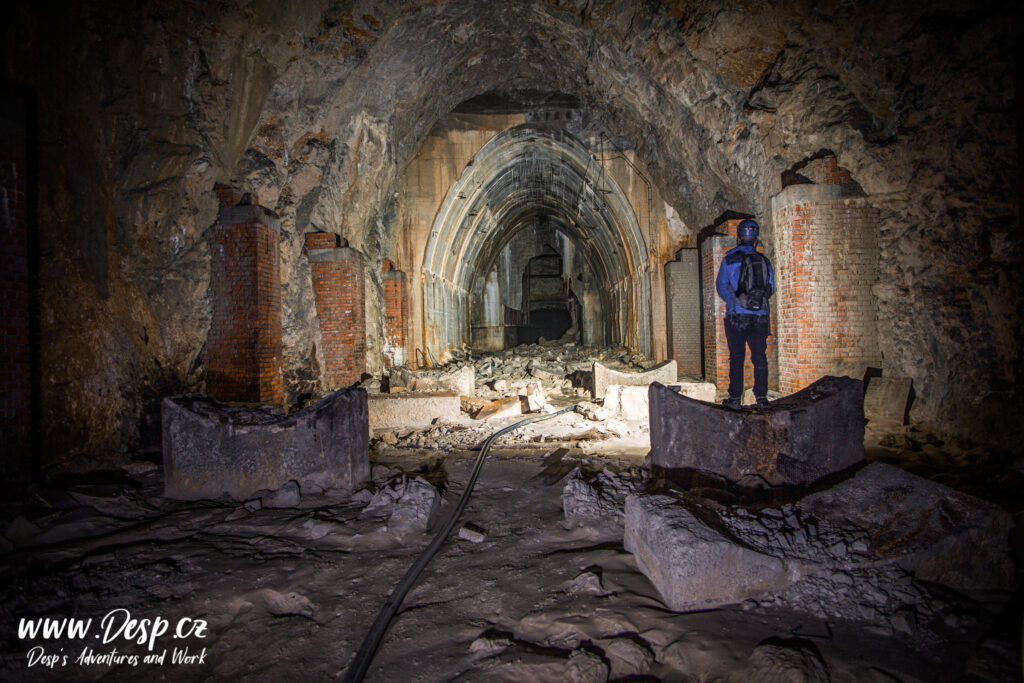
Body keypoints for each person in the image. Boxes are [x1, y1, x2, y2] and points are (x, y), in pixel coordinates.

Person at [715, 218, 775, 408]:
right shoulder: (764, 261)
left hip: (737, 317)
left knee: (737, 358)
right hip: (760, 316)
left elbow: (721, 286)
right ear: (755, 237)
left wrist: (735, 301)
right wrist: (756, 303)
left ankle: (734, 399)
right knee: (759, 357)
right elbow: (770, 288)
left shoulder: (730, 259)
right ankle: (762, 398)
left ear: (739, 236)